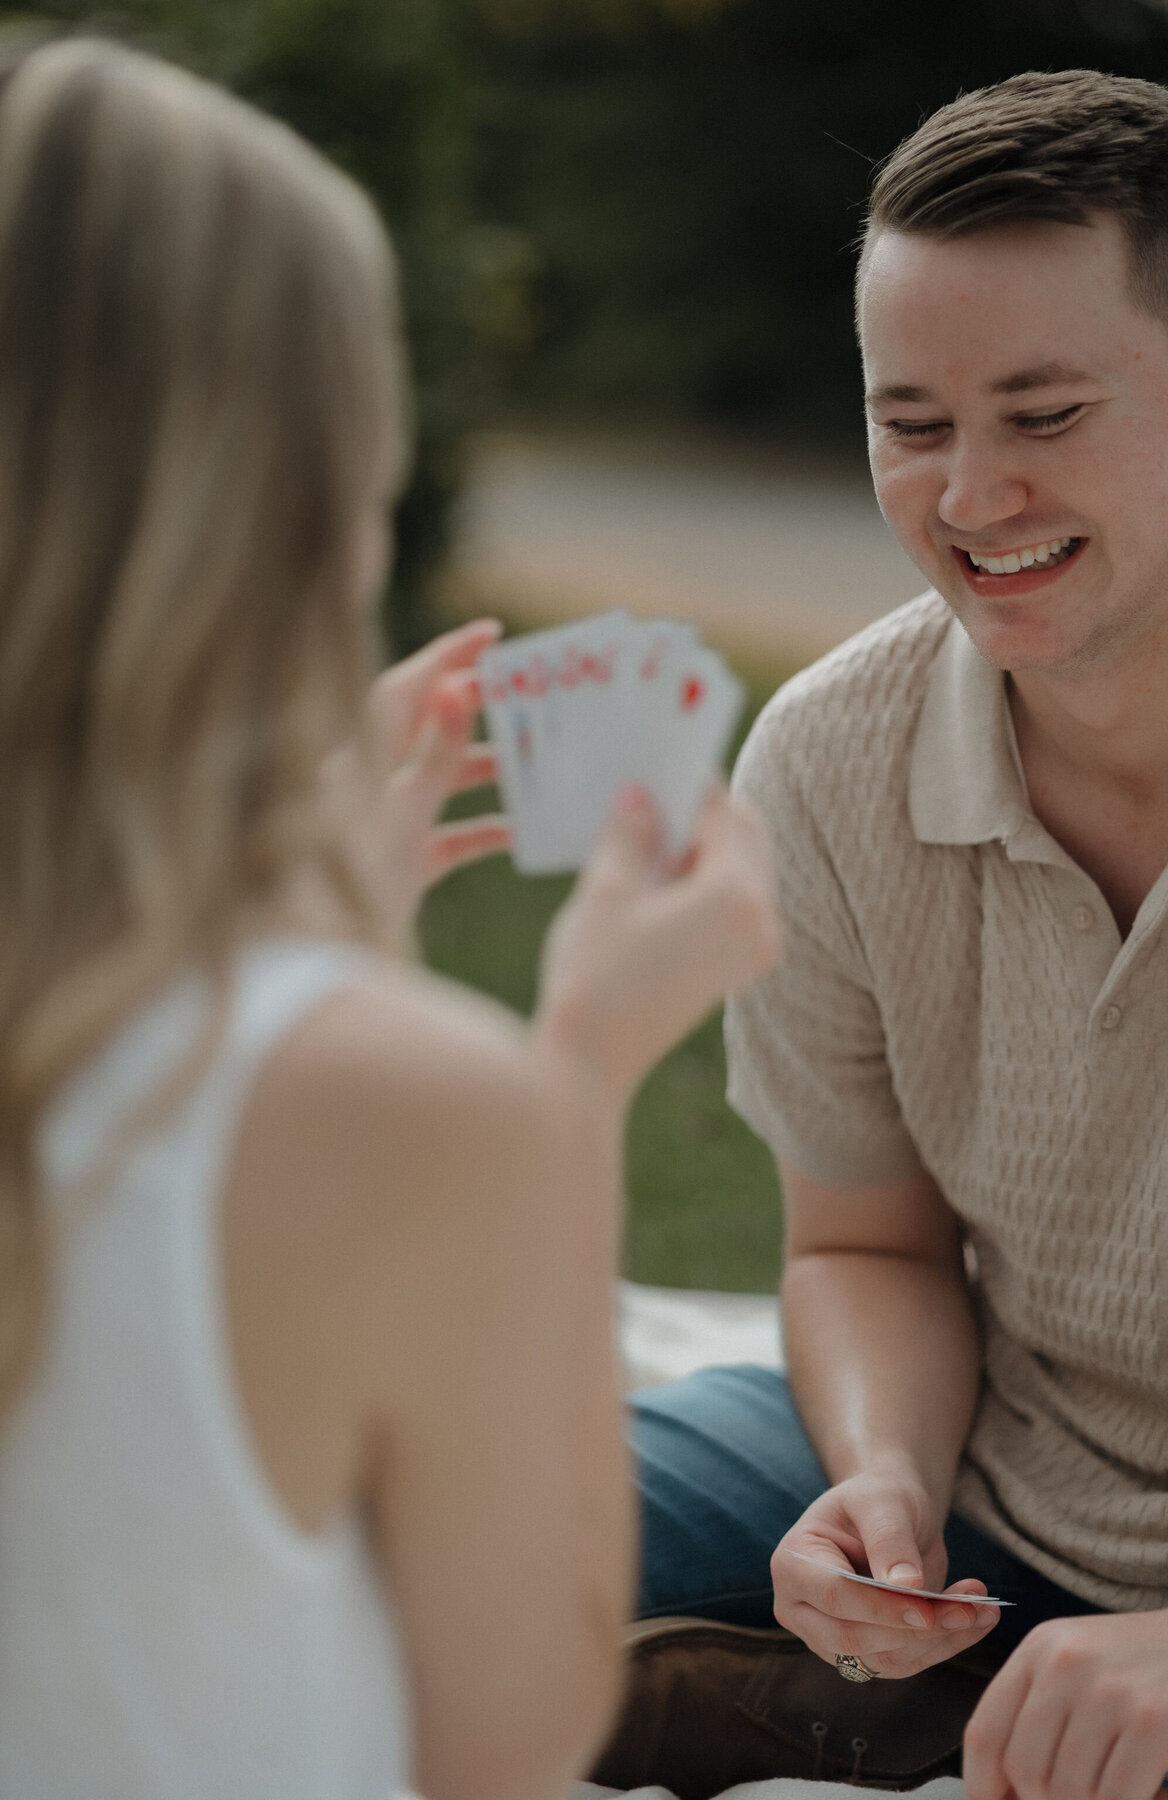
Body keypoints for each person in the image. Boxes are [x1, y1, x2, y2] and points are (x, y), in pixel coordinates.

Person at [0, 34, 779, 1800]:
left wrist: (322, 953)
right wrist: (573, 1078)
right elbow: (507, 1740)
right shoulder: (415, 1115)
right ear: (296, 515)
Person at [632, 67, 1168, 1800]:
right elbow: (866, 1246)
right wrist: (880, 1472)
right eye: (913, 422)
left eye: (1044, 414)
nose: (969, 498)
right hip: (1000, 1473)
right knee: (437, 1523)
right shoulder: (830, 754)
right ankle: (912, 1682)